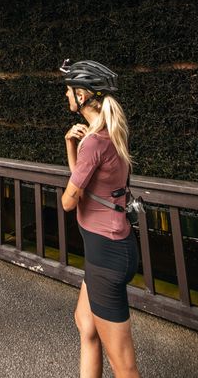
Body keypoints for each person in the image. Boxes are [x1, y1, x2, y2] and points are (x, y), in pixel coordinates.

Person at [60, 59, 140, 378]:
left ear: (82, 96)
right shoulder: (108, 135)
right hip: (110, 252)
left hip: (106, 257)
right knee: (86, 324)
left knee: (124, 366)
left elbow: (69, 200)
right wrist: (70, 143)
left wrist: (78, 147)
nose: (66, 94)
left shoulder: (94, 142)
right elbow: (83, 183)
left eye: (69, 90)